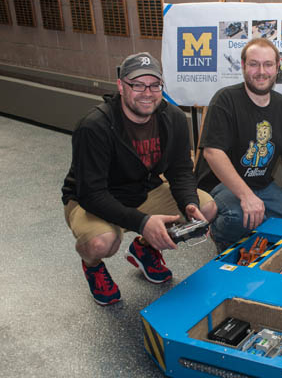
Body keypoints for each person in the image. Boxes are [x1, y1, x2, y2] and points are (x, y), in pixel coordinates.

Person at [61, 52, 217, 306]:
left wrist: (189, 202)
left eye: (155, 85)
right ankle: (92, 266)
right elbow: (92, 194)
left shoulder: (173, 118)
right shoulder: (94, 126)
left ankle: (144, 248)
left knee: (206, 207)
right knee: (102, 243)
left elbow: (180, 170)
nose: (148, 92)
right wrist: (143, 221)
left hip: (144, 191)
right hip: (91, 200)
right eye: (138, 85)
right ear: (121, 86)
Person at [196, 38, 282, 250]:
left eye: (268, 64)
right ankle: (218, 231)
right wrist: (246, 196)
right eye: (253, 64)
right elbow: (212, 153)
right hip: (221, 186)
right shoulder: (225, 100)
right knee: (238, 217)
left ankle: (253, 228)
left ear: (277, 67)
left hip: (262, 184)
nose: (261, 71)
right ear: (243, 66)